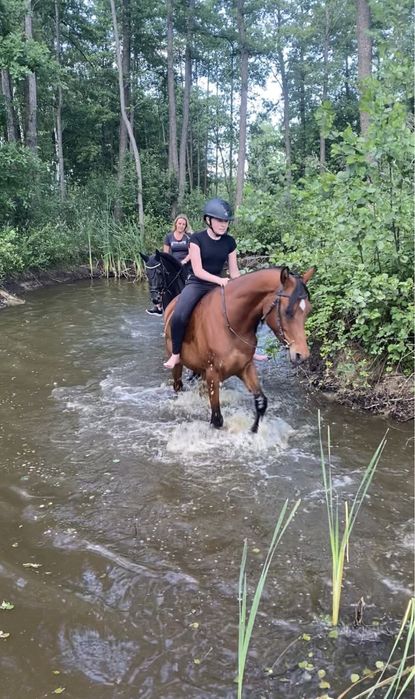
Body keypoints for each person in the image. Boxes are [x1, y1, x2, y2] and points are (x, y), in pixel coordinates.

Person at [163, 198, 240, 369]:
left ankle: (246, 349)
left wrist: (240, 287)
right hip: (198, 283)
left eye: (226, 221)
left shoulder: (230, 242)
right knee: (180, 315)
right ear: (208, 220)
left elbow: (234, 271)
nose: (223, 225)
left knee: (243, 311)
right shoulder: (196, 239)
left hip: (219, 286)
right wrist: (221, 280)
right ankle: (176, 354)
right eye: (219, 220)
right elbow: (198, 271)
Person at [146, 213, 193, 316]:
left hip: (186, 264)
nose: (181, 226)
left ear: (186, 226)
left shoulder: (189, 237)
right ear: (176, 224)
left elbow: (192, 253)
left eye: (183, 224)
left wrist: (184, 261)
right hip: (172, 265)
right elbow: (165, 254)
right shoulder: (169, 237)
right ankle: (158, 306)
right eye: (179, 223)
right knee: (162, 280)